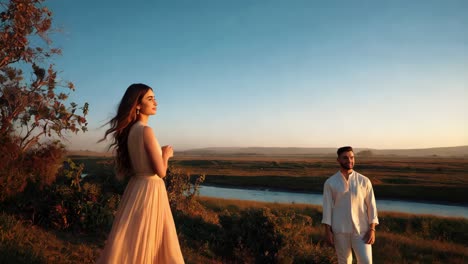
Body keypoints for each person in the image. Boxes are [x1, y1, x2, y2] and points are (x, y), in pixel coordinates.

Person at [97, 83, 184, 264]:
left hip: (136, 188)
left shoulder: (130, 131)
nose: (156, 103)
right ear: (137, 105)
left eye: (154, 98)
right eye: (150, 99)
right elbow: (161, 172)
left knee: (133, 238)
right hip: (150, 190)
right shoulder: (146, 131)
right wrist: (166, 155)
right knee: (149, 238)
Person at [321, 146, 379, 264]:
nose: (349, 160)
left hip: (362, 230)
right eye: (345, 158)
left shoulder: (364, 181)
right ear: (338, 160)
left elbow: (371, 206)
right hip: (340, 231)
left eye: (352, 157)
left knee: (366, 261)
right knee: (344, 261)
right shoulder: (330, 182)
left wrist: (372, 229)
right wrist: (328, 231)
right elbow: (327, 208)